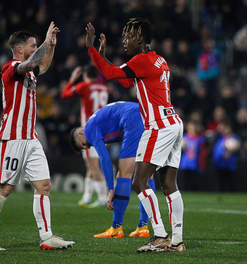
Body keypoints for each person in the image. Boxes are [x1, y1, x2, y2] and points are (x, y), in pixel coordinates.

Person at [85, 18, 185, 252]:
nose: (124, 41)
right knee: (169, 184)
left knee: (139, 181)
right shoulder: (158, 60)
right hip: (173, 122)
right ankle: (177, 241)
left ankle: (160, 236)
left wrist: (91, 49)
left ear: (140, 38)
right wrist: (102, 57)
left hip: (158, 125)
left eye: (128, 37)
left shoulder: (141, 60)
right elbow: (123, 77)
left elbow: (111, 74)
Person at [0, 22, 75, 251]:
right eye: (32, 45)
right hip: (12, 137)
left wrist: (50, 46)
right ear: (21, 49)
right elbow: (31, 63)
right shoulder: (10, 67)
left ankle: (47, 237)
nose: (35, 48)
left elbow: (43, 66)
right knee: (4, 189)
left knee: (44, 185)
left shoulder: (29, 69)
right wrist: (45, 41)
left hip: (30, 138)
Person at [70, 101, 155, 238]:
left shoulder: (89, 129)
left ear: (80, 133)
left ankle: (116, 229)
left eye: (83, 145)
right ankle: (143, 226)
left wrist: (110, 189)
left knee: (123, 173)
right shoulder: (102, 124)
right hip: (147, 114)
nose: (87, 147)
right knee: (147, 174)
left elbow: (105, 159)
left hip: (133, 118)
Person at [61, 64, 108, 207]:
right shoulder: (104, 88)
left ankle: (102, 198)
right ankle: (87, 196)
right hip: (102, 130)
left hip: (89, 132)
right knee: (91, 165)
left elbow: (64, 94)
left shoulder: (84, 86)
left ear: (85, 75)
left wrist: (72, 79)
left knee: (94, 166)